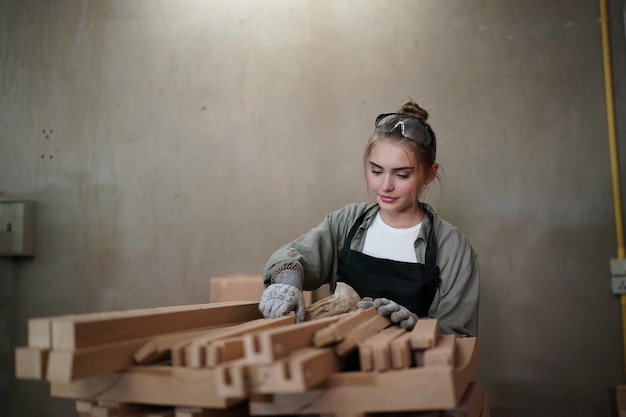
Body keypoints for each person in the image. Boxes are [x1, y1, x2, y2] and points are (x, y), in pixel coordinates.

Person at [258, 100, 479, 337]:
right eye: (376, 171)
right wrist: (287, 280)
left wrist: (417, 327)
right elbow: (292, 255)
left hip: (409, 373)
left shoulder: (453, 249)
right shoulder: (346, 223)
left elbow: (459, 337)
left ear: (429, 174)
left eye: (402, 175)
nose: (385, 186)